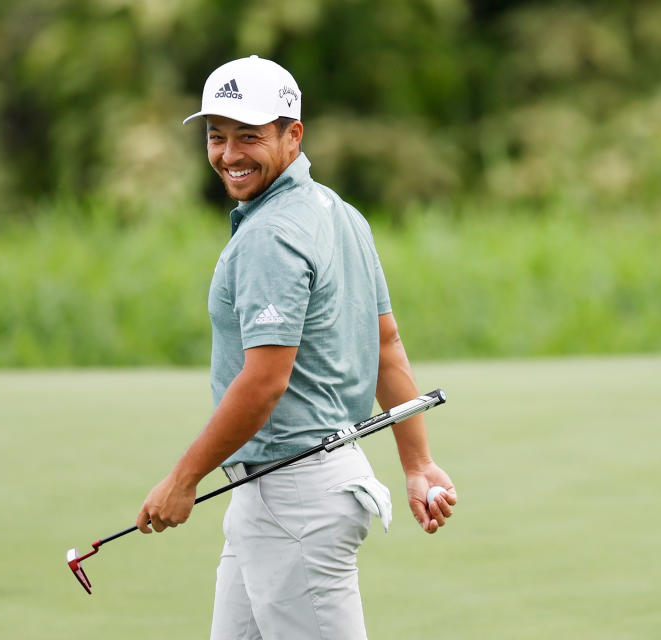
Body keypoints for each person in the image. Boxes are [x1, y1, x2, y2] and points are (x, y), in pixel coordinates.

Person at [136, 55, 458, 640]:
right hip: (280, 493)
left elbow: (263, 383)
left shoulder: (271, 235)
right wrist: (417, 462)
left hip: (296, 501)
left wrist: (184, 479)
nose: (229, 154)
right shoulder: (339, 212)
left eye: (249, 137)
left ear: (293, 134)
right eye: (216, 137)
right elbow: (386, 344)